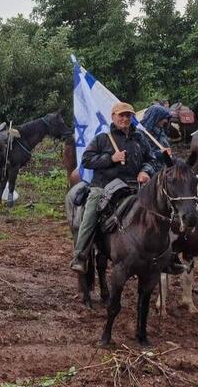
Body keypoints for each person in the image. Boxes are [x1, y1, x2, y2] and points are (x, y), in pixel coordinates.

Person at [70, 102, 155, 273]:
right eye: (121, 115)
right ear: (113, 117)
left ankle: (165, 256)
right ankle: (80, 255)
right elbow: (86, 161)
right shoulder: (102, 139)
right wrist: (111, 158)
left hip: (133, 186)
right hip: (104, 187)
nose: (125, 119)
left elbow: (151, 160)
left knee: (160, 209)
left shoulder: (139, 138)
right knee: (91, 212)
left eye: (128, 116)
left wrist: (145, 171)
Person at [140, 104, 173, 173]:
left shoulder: (160, 131)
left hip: (165, 167)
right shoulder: (142, 134)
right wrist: (159, 153)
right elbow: (141, 156)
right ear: (157, 117)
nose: (166, 121)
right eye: (164, 118)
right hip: (151, 171)